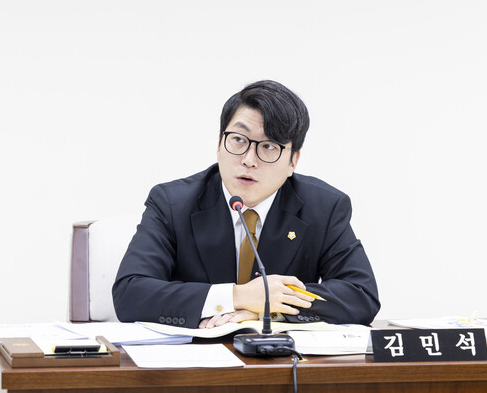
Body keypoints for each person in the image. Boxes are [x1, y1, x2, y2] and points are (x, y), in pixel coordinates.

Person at [112, 80, 380, 329]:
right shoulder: (172, 203)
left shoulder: (323, 207)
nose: (249, 160)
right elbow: (130, 293)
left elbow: (361, 295)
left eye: (269, 146)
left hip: (280, 358)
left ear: (293, 162)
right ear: (219, 144)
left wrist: (267, 308)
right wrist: (237, 297)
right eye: (239, 140)